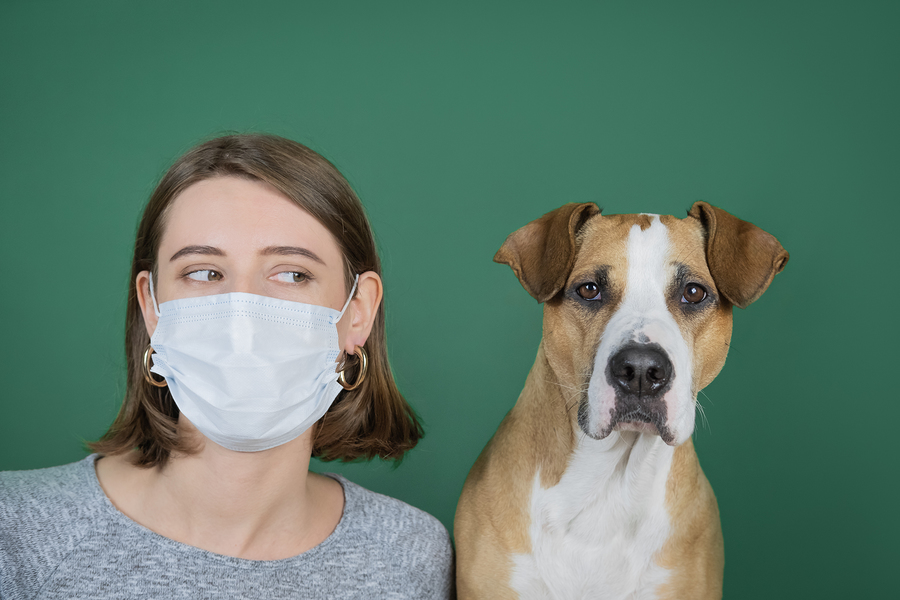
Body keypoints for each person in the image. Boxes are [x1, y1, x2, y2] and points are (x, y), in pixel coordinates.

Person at [0, 134, 454, 599]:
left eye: (292, 274)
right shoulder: (16, 531)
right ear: (152, 308)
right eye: (203, 272)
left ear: (357, 312)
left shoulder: (409, 555)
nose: (244, 317)